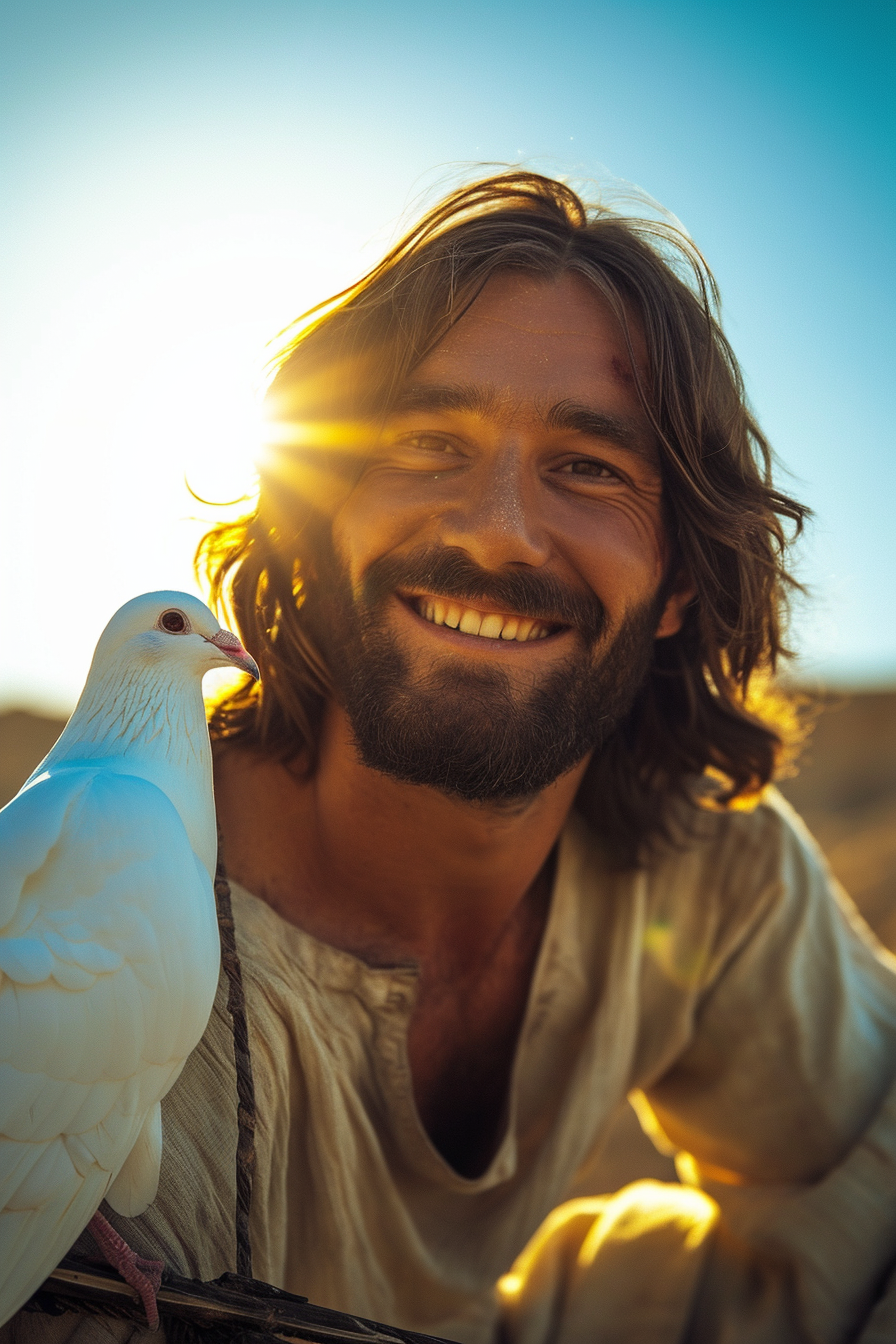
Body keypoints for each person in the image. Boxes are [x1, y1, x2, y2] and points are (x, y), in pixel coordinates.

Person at [10, 172, 896, 1343]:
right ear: (316, 521)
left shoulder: (704, 869)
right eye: (426, 443)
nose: (494, 529)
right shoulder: (107, 947)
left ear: (680, 579)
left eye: (586, 466)